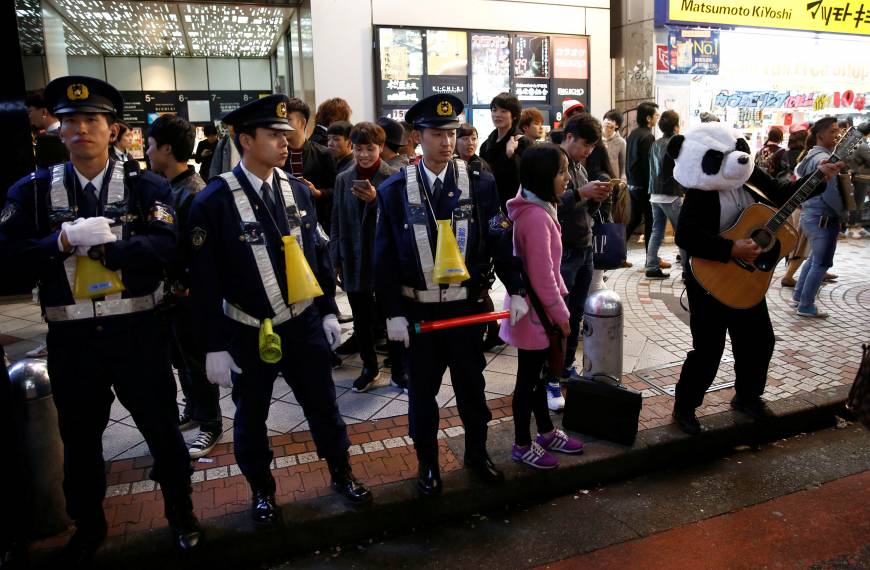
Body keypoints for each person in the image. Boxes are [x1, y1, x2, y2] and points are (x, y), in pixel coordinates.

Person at [0, 76, 201, 563]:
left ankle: (182, 515)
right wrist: (59, 245)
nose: (81, 129)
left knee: (163, 434)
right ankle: (88, 527)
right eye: (71, 121)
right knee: (81, 443)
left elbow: (166, 248)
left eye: (93, 120)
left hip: (138, 335)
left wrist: (115, 249)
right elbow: (9, 260)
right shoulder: (32, 191)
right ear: (58, 130)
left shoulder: (146, 185)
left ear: (113, 130)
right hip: (72, 342)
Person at [188, 94, 371, 526]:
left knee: (324, 405)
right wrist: (212, 345)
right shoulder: (213, 201)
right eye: (273, 135)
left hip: (301, 322)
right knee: (251, 416)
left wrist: (328, 308)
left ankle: (341, 473)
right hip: (246, 330)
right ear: (244, 139)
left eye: (286, 133)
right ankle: (262, 491)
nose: (285, 142)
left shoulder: (295, 191)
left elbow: (316, 255)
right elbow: (203, 279)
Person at [374, 94, 528, 495]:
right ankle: (427, 464)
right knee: (422, 394)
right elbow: (384, 257)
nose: (447, 141)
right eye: (437, 133)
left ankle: (477, 453)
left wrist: (517, 291)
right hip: (419, 313)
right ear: (416, 137)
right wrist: (390, 312)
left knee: (471, 389)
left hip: (466, 308)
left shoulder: (480, 183)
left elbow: (498, 238)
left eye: (453, 133)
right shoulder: (393, 191)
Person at [670, 123, 843, 435]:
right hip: (709, 281)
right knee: (708, 350)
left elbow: (782, 193)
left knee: (759, 342)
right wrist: (730, 247)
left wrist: (818, 179)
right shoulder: (701, 193)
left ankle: (748, 398)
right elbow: (686, 235)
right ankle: (685, 407)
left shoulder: (748, 176)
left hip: (748, 281)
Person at [500, 144, 584, 469]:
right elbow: (542, 275)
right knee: (528, 382)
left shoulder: (537, 205)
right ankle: (522, 443)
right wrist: (562, 316)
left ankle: (546, 432)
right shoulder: (535, 216)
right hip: (536, 313)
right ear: (543, 176)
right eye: (562, 172)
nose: (567, 178)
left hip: (537, 310)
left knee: (537, 376)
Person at [146, 114, 222, 459]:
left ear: (166, 149)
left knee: (196, 357)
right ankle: (192, 407)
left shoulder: (195, 193)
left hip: (188, 293)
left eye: (150, 145)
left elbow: (201, 251)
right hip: (168, 293)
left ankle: (210, 423)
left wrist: (188, 285)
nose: (146, 151)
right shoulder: (164, 188)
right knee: (180, 356)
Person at [330, 122, 405, 393]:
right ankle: (369, 366)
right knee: (360, 317)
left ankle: (399, 369)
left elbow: (400, 220)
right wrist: (336, 256)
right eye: (359, 148)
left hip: (386, 259)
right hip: (354, 256)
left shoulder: (395, 176)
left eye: (370, 149)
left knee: (391, 314)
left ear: (381, 148)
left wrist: (375, 202)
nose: (364, 155)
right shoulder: (343, 179)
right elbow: (336, 219)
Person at [555, 115, 612, 406]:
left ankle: (565, 367)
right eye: (585, 144)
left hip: (584, 246)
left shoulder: (579, 165)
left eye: (592, 146)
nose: (588, 151)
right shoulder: (554, 162)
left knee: (577, 312)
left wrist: (596, 197)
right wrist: (580, 192)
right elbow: (549, 203)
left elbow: (582, 210)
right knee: (560, 316)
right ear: (570, 137)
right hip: (564, 250)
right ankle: (551, 374)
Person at [792, 117, 848, 319]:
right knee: (822, 263)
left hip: (811, 215)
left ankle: (799, 296)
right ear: (820, 135)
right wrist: (844, 212)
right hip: (823, 217)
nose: (837, 135)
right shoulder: (822, 160)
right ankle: (806, 305)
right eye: (833, 131)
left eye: (838, 131)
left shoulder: (810, 156)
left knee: (815, 259)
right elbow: (830, 193)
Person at [456, 123, 499, 350]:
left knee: (481, 292)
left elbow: (494, 212)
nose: (469, 143)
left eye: (472, 138)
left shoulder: (483, 169)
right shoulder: (450, 166)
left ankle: (489, 330)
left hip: (480, 242)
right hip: (457, 243)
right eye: (463, 138)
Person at [282, 98, 338, 236]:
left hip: (317, 225)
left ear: (302, 122)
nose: (282, 125)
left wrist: (318, 193)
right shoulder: (277, 155)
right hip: (285, 225)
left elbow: (337, 191)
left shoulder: (323, 154)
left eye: (288, 120)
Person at [645, 110, 686, 279]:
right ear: (676, 126)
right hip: (671, 194)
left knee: (657, 231)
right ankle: (687, 271)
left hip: (654, 193)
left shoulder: (655, 143)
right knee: (683, 234)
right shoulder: (677, 143)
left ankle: (651, 266)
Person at [480, 92, 531, 211]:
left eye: (503, 111)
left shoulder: (523, 142)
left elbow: (526, 178)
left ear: (514, 115)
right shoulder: (486, 144)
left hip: (514, 207)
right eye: (494, 110)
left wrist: (510, 155)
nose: (497, 115)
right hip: (490, 204)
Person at [625, 102, 659, 264]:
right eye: (655, 115)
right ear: (648, 118)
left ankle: (618, 252)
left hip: (632, 184)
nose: (657, 118)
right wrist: (652, 187)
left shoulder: (633, 134)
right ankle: (650, 259)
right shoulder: (648, 136)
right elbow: (648, 166)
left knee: (635, 219)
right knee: (651, 222)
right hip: (644, 186)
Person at [26, 89, 68, 167]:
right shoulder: (68, 133)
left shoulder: (46, 140)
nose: (29, 117)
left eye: (30, 112)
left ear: (44, 112)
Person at [602, 109, 627, 182]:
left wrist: (623, 181)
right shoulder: (596, 139)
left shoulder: (621, 142)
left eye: (612, 120)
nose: (608, 122)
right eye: (606, 119)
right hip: (597, 180)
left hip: (613, 181)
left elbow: (623, 166)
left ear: (617, 125)